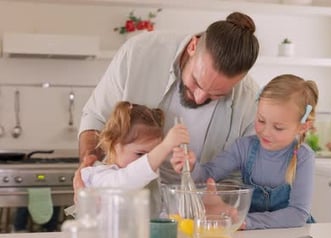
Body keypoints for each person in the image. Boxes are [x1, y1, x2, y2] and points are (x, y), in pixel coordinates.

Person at [74, 11, 260, 198]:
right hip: (127, 207)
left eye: (216, 95)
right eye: (196, 81)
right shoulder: (139, 53)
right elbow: (96, 117)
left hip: (196, 215)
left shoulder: (249, 101)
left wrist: (223, 203)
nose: (199, 97)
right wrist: (89, 162)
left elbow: (240, 175)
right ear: (193, 46)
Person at [171, 74, 319, 230]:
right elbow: (207, 174)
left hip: (292, 236)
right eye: (261, 120)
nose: (266, 132)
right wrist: (192, 166)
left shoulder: (303, 157)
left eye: (278, 127)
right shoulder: (244, 147)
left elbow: (297, 214)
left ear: (303, 127)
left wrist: (246, 221)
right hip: (252, 235)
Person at [66, 101, 189, 217]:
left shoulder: (147, 181)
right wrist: (165, 146)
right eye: (140, 154)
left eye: (152, 154)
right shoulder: (98, 175)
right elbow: (127, 179)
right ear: (115, 144)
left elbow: (157, 212)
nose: (145, 161)